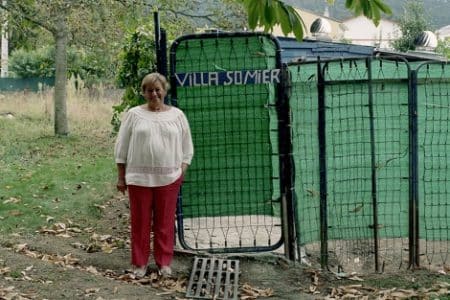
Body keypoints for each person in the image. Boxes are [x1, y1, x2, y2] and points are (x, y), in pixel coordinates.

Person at [114, 72, 194, 278]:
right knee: (140, 223)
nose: (154, 94)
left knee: (165, 223)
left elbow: (187, 149)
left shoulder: (177, 116)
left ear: (165, 91)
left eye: (158, 90)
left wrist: (180, 172)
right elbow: (121, 148)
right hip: (139, 179)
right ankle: (139, 264)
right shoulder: (133, 115)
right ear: (143, 93)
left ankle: (164, 262)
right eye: (149, 90)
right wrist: (121, 176)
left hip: (169, 179)